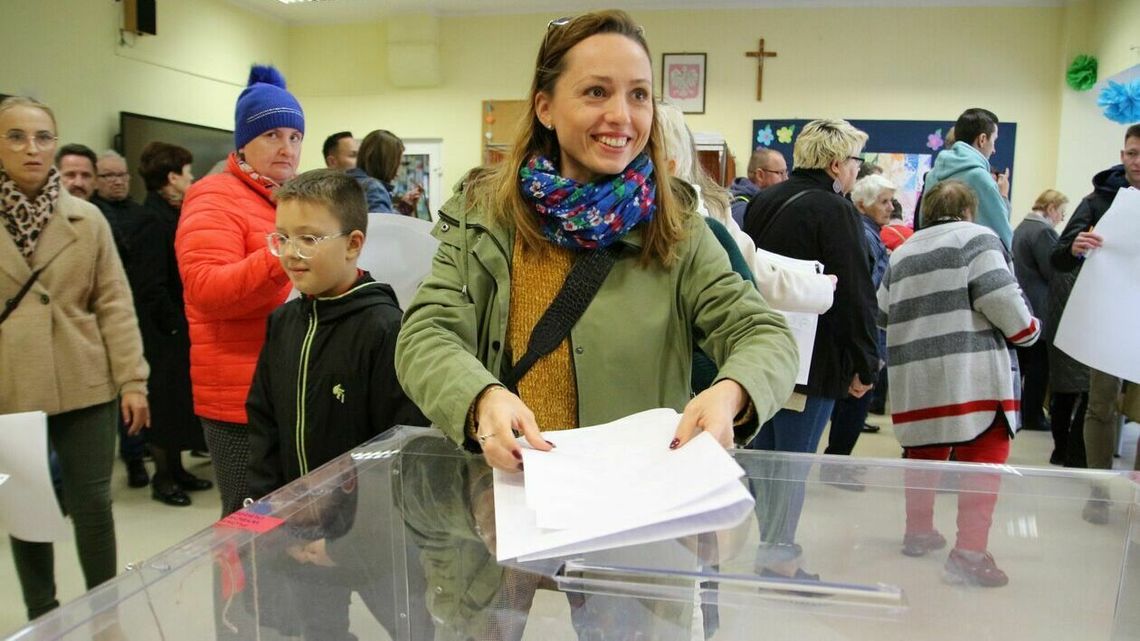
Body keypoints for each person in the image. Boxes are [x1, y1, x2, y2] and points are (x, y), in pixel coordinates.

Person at [395, 11, 798, 474]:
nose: (621, 116)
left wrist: (733, 391)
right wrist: (480, 397)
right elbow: (426, 335)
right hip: (510, 488)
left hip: (636, 491)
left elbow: (763, 334)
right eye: (596, 92)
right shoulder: (486, 217)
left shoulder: (677, 227)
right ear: (545, 108)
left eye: (639, 94)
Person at [0, 96, 150, 620]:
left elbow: (114, 302)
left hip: (84, 377)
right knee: (27, 508)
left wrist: (133, 380)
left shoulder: (86, 219)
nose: (32, 148)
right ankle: (43, 616)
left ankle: (105, 613)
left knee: (93, 506)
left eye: (43, 137)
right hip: (10, 384)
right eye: (16, 136)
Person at [878, 179, 1039, 588]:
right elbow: (1002, 301)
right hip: (971, 375)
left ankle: (918, 532)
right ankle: (969, 554)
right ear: (969, 211)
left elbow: (882, 313)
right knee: (984, 457)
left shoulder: (904, 251)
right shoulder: (977, 239)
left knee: (923, 455)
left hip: (917, 377)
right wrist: (1029, 331)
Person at [247, 168, 427, 501]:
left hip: (360, 521)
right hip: (289, 515)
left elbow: (399, 445)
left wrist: (345, 524)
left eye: (308, 239)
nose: (290, 252)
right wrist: (266, 504)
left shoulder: (385, 330)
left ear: (353, 244)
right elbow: (263, 425)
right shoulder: (282, 323)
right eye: (282, 238)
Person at [175, 64, 303, 517]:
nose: (287, 148)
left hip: (286, 387)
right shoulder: (213, 195)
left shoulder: (288, 198)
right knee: (247, 523)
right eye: (272, 135)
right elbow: (206, 289)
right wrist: (280, 254)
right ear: (244, 142)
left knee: (291, 520)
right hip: (237, 397)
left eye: (295, 136)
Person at [742, 119, 880, 455]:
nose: (857, 170)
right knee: (792, 464)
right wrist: (865, 362)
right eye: (856, 161)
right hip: (814, 358)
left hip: (762, 347)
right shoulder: (837, 210)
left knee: (762, 461)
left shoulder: (763, 200)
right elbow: (853, 292)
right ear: (835, 165)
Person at [1050, 123, 1140, 524]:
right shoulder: (1100, 199)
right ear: (1122, 155)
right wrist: (1075, 245)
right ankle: (1100, 491)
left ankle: (1136, 496)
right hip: (1108, 318)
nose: (1138, 162)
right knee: (1100, 405)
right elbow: (1058, 257)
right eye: (1132, 153)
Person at [135, 141, 212, 506]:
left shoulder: (171, 213)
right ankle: (163, 477)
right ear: (171, 177)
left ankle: (178, 470)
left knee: (178, 402)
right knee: (164, 405)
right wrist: (176, 325)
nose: (191, 179)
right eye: (188, 173)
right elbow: (150, 284)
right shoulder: (151, 220)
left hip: (175, 326)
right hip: (162, 331)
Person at [822, 173, 895, 485]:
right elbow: (864, 289)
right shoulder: (865, 236)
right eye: (884, 201)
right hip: (864, 327)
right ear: (863, 205)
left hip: (865, 326)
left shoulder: (869, 234)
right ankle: (836, 465)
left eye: (891, 201)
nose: (891, 207)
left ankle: (837, 462)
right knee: (856, 398)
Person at [91, 149, 151, 488]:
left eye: (122, 175)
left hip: (135, 318)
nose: (117, 181)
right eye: (108, 176)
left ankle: (136, 456)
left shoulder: (142, 215)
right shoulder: (91, 217)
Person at [1011, 189, 1067, 434]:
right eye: (1061, 212)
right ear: (1051, 208)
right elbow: (1053, 270)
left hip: (1023, 305)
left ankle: (1020, 412)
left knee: (1023, 364)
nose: (1062, 218)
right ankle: (1033, 415)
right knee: (1039, 367)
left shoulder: (1021, 227)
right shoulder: (1043, 232)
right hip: (1040, 308)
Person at [919, 108, 1012, 248]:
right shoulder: (981, 179)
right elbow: (1002, 238)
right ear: (982, 139)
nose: (994, 150)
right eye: (994, 140)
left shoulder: (932, 175)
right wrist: (1003, 197)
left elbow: (923, 225)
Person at [350, 129, 423, 215]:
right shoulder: (374, 189)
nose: (398, 173)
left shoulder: (349, 181)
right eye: (398, 163)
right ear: (388, 163)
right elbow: (384, 223)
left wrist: (404, 207)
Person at [729, 147, 787, 226]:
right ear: (760, 175)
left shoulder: (761, 203)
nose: (786, 179)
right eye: (781, 173)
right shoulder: (741, 209)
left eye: (786, 172)